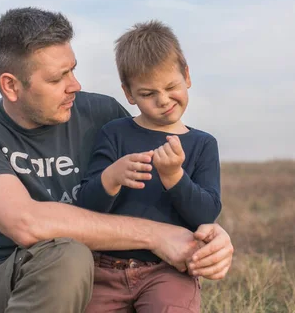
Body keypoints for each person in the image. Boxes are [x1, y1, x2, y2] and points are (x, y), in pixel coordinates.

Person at [0, 7, 234, 313]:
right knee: (69, 255)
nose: (76, 85)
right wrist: (156, 235)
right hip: (7, 286)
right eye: (59, 78)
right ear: (11, 85)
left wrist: (212, 235)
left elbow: (154, 191)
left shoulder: (102, 114)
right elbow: (26, 223)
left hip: (102, 279)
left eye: (72, 69)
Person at [76, 20, 221, 312]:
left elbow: (206, 214)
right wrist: (111, 177)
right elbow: (86, 209)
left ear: (187, 76)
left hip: (169, 270)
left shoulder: (203, 144)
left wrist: (174, 176)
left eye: (171, 86)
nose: (163, 100)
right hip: (105, 270)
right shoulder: (114, 133)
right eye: (147, 93)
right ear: (129, 94)